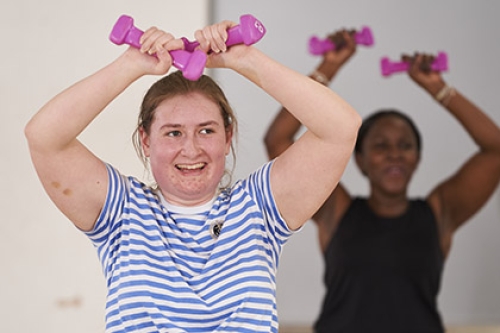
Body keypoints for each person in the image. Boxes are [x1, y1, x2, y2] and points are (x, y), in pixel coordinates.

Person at [24, 19, 361, 332]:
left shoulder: (259, 206)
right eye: (173, 133)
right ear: (146, 140)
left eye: (206, 131)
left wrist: (246, 60)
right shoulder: (122, 210)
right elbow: (44, 137)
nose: (191, 149)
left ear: (228, 138)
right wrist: (129, 66)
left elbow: (340, 129)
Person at [264, 30, 500, 333]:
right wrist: (329, 66)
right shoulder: (335, 212)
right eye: (380, 146)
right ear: (359, 160)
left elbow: (495, 151)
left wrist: (438, 88)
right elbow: (278, 140)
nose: (394, 155)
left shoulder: (440, 213)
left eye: (405, 146)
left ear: (417, 158)